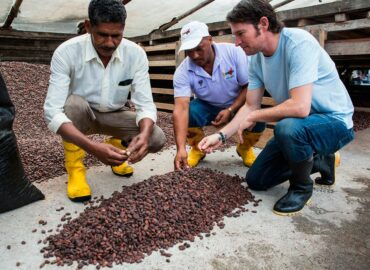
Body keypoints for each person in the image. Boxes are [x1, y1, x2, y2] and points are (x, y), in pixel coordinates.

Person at [199, 0, 354, 216]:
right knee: (257, 180)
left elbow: (300, 107)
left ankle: (301, 188)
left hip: (334, 122)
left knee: (288, 128)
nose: (236, 43)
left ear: (263, 24)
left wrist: (256, 114)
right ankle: (320, 159)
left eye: (241, 34)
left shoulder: (298, 43)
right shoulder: (256, 60)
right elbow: (250, 105)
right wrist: (221, 136)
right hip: (303, 126)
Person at [44, 0, 166, 202]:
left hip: (115, 114)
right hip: (82, 115)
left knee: (156, 138)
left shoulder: (135, 54)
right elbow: (52, 111)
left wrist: (143, 135)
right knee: (72, 106)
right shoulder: (66, 52)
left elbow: (145, 105)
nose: (110, 43)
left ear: (123, 30)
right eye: (102, 35)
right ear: (88, 26)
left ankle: (117, 153)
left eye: (116, 36)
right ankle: (76, 170)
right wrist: (93, 149)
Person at [173, 21, 265, 170]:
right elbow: (180, 109)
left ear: (209, 40)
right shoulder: (183, 71)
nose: (194, 55)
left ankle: (245, 148)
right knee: (190, 112)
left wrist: (231, 109)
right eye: (189, 51)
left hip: (238, 103)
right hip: (207, 105)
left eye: (199, 49)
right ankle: (197, 148)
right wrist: (180, 149)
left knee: (258, 116)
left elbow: (247, 85)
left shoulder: (233, 52)